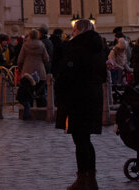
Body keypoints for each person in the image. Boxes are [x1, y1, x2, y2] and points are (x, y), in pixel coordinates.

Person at [55, 18, 107, 190]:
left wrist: (61, 91)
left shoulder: (76, 48)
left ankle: (83, 177)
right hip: (93, 95)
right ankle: (90, 176)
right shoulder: (98, 47)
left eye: (74, 30)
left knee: (80, 138)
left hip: (78, 96)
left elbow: (68, 73)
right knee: (85, 138)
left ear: (78, 30)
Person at [16, 28, 50, 120]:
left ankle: (28, 112)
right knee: (40, 93)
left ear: (30, 36)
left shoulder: (25, 45)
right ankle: (41, 113)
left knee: (28, 92)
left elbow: (20, 59)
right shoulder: (41, 45)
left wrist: (20, 67)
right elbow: (46, 58)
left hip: (27, 71)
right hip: (40, 70)